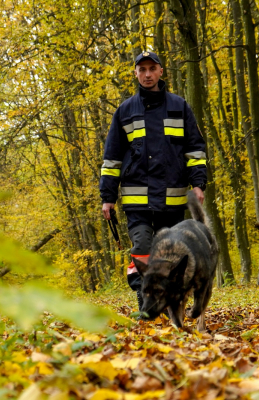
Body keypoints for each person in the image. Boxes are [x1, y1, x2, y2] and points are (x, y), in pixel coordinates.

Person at [99, 50, 208, 311]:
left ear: (161, 71)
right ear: (135, 73)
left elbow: (195, 150)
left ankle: (171, 302)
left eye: (152, 69)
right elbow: (111, 158)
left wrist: (198, 184)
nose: (147, 74)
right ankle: (145, 301)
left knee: (169, 255)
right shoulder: (125, 111)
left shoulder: (179, 106)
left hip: (172, 199)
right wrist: (107, 197)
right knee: (143, 249)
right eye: (142, 69)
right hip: (137, 200)